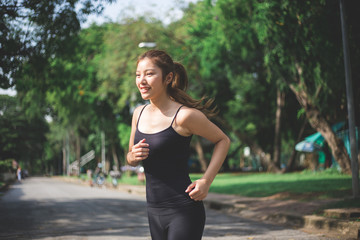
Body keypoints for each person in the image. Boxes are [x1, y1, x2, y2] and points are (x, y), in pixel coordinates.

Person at [127, 50, 230, 240]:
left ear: (168, 78)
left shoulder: (184, 116)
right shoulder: (138, 114)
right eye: (138, 75)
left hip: (183, 210)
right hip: (153, 211)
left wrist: (206, 181)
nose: (142, 80)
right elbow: (130, 157)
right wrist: (132, 157)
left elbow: (223, 140)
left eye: (149, 74)